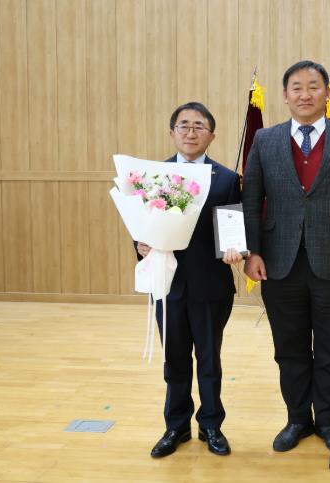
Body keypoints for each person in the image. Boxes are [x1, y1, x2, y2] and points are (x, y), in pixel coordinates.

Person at [242, 60, 330, 455]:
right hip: (278, 262)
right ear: (285, 95)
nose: (305, 94)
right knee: (289, 348)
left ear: (327, 93)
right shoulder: (265, 139)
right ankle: (297, 419)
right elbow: (251, 200)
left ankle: (329, 421)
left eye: (313, 86)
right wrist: (252, 252)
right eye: (297, 87)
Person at [136, 102, 243, 458]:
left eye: (199, 126)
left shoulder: (227, 179)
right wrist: (140, 244)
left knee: (209, 360)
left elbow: (233, 227)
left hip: (211, 284)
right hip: (167, 283)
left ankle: (211, 425)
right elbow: (140, 225)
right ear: (172, 133)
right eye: (184, 125)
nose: (191, 132)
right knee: (175, 360)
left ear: (212, 136)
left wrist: (236, 249)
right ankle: (176, 426)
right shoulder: (153, 176)